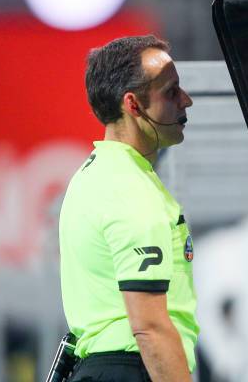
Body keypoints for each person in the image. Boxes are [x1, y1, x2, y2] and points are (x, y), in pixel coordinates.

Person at [59, 35, 197, 382]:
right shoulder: (129, 189)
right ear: (133, 106)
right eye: (171, 91)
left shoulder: (94, 175)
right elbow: (150, 327)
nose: (187, 101)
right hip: (131, 370)